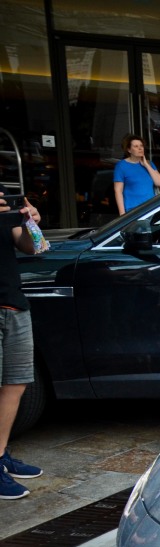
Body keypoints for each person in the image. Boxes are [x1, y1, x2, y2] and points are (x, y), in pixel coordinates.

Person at [0, 196, 42, 499]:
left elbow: (33, 247)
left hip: (13, 302)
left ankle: (0, 455)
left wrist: (30, 223)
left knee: (15, 383)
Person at [113, 134, 160, 215]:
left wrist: (146, 165)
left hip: (151, 208)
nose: (140, 148)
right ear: (129, 150)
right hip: (133, 210)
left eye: (141, 146)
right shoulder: (121, 166)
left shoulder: (149, 164)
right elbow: (118, 191)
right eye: (136, 146)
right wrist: (122, 214)